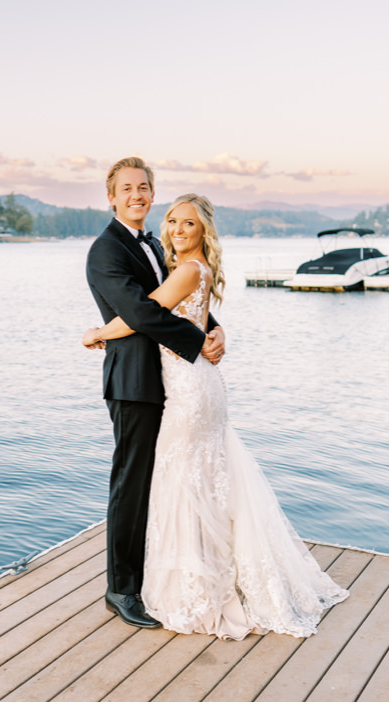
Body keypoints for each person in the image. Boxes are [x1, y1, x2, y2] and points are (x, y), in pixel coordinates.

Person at [84, 193, 348, 640]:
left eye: (188, 223)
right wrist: (210, 328)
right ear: (113, 196)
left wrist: (95, 333)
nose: (177, 230)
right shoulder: (161, 259)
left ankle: (194, 584)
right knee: (201, 480)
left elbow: (141, 314)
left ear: (204, 230)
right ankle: (202, 574)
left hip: (188, 388)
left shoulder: (186, 268)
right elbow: (181, 308)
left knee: (184, 482)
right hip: (192, 383)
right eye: (172, 222)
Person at [85, 158, 226, 629]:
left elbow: (179, 298)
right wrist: (196, 342)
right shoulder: (106, 251)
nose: (138, 195)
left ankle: (158, 574)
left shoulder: (154, 244)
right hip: (135, 382)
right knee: (131, 484)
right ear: (112, 196)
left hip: (170, 380)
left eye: (144, 187)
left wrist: (214, 328)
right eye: (127, 188)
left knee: (166, 481)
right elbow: (144, 314)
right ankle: (121, 590)